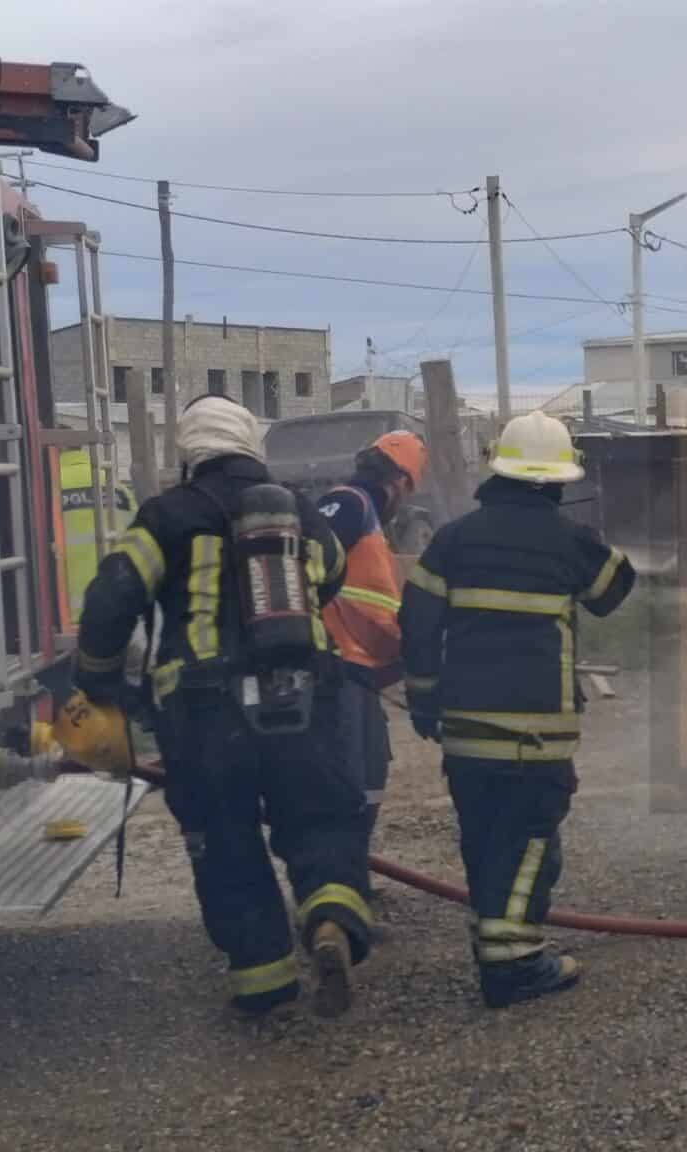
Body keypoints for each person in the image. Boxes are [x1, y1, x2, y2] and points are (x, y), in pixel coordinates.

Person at [73, 394, 374, 1018]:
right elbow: (335, 573)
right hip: (305, 700)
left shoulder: (166, 515)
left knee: (226, 839)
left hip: (205, 715)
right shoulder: (295, 511)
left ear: (188, 452)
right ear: (250, 443)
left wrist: (99, 684)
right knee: (321, 820)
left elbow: (111, 598)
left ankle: (263, 987)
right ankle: (329, 922)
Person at [399, 411, 635, 1008]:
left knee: (483, 840)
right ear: (559, 480)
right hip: (536, 733)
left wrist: (424, 697)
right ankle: (514, 967)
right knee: (530, 842)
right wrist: (591, 537)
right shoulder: (567, 540)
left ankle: (496, 949)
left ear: (496, 470)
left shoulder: (452, 539)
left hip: (467, 733)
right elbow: (615, 590)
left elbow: (418, 620)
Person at [315, 430, 428, 896]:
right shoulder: (349, 504)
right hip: (336, 665)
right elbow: (310, 561)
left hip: (357, 669)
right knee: (350, 782)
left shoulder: (366, 520)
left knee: (370, 774)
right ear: (399, 480)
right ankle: (337, 894)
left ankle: (349, 884)